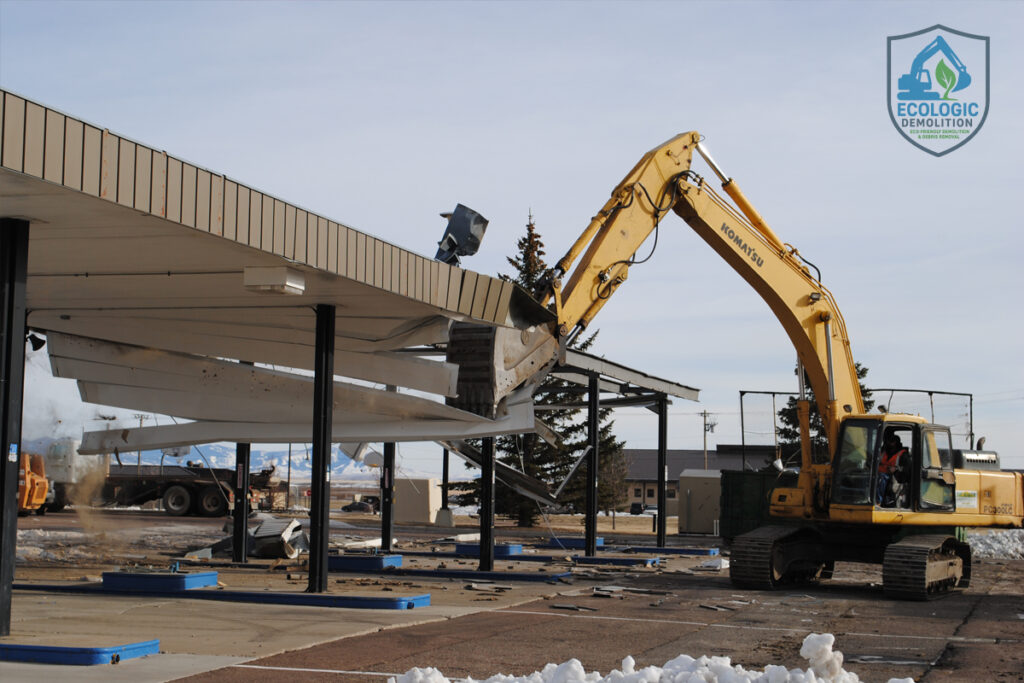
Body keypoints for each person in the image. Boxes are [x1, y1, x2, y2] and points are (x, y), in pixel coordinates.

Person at [876, 433, 908, 506]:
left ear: (896, 443)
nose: (889, 444)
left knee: (882, 478)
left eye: (892, 442)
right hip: (878, 475)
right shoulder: (883, 452)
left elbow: (906, 474)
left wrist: (896, 470)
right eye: (888, 442)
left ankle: (878, 502)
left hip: (894, 479)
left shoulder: (903, 455)